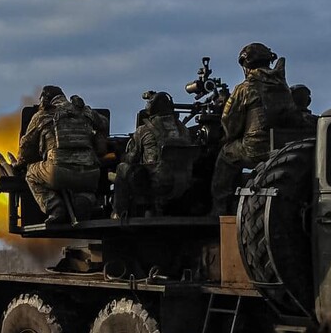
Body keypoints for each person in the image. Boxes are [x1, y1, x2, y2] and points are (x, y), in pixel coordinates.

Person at [211, 42, 305, 215]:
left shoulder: (245, 88)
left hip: (256, 147)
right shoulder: (281, 85)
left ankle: (220, 208)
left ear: (245, 65)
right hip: (283, 146)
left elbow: (229, 122)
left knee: (226, 155)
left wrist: (227, 137)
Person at [17, 85, 109, 224]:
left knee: (31, 174)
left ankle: (55, 208)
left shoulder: (42, 115)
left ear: (45, 99)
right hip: (91, 172)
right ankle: (84, 202)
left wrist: (21, 164)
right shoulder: (84, 110)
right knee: (83, 188)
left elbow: (26, 145)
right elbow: (104, 123)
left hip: (59, 171)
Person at [112, 91, 194, 218]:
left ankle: (118, 212)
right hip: (184, 183)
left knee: (122, 167)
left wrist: (121, 155)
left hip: (157, 183)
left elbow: (132, 158)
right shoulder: (183, 129)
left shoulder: (143, 130)